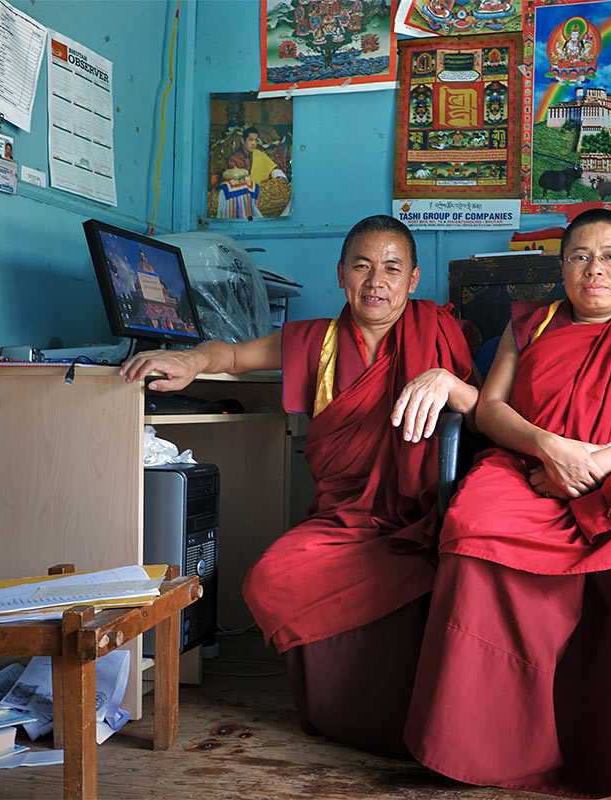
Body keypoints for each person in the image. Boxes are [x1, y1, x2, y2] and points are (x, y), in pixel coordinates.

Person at [119, 215, 477, 758]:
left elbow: (490, 413)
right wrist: (189, 359)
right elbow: (234, 356)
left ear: (413, 278)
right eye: (362, 266)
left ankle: (421, 718)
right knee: (269, 581)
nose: (375, 281)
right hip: (345, 517)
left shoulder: (441, 332)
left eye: (391, 268)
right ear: (341, 274)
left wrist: (453, 385)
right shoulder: (319, 341)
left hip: (426, 512)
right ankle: (335, 712)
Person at [404, 209, 611, 797]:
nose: (594, 269)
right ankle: (485, 744)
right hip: (526, 469)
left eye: (610, 257)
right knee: (473, 529)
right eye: (579, 256)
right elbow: (493, 409)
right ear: (562, 266)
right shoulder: (533, 325)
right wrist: (549, 447)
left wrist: (599, 461)